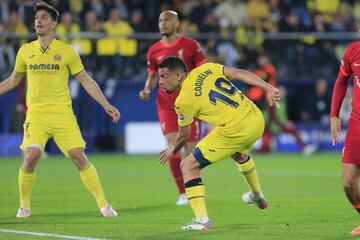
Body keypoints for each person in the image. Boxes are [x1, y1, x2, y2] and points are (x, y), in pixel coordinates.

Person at [0, 2, 120, 218]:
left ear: (53, 23)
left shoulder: (67, 51)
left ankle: (104, 205)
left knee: (78, 156)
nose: (38, 21)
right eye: (37, 18)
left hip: (62, 114)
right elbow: (13, 80)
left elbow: (85, 80)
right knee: (31, 156)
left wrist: (106, 104)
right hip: (36, 114)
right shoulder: (26, 51)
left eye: (44, 17)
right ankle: (24, 205)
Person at [158, 57, 280, 230]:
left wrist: (172, 149)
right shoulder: (207, 69)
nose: (160, 82)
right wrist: (268, 87)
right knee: (238, 154)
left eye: (163, 76)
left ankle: (202, 221)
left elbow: (184, 135)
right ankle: (257, 196)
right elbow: (239, 73)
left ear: (178, 76)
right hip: (256, 118)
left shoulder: (183, 101)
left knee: (188, 165)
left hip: (236, 129)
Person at [139, 10, 205, 205]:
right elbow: (152, 75)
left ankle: (193, 185)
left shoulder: (191, 45)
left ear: (177, 24)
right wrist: (146, 90)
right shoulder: (154, 50)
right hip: (166, 105)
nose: (162, 23)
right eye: (160, 20)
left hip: (191, 104)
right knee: (173, 147)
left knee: (191, 152)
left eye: (167, 20)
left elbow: (203, 69)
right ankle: (183, 193)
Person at [330, 41, 360, 235]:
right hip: (357, 123)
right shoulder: (353, 50)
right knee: (348, 183)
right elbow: (341, 81)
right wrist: (334, 114)